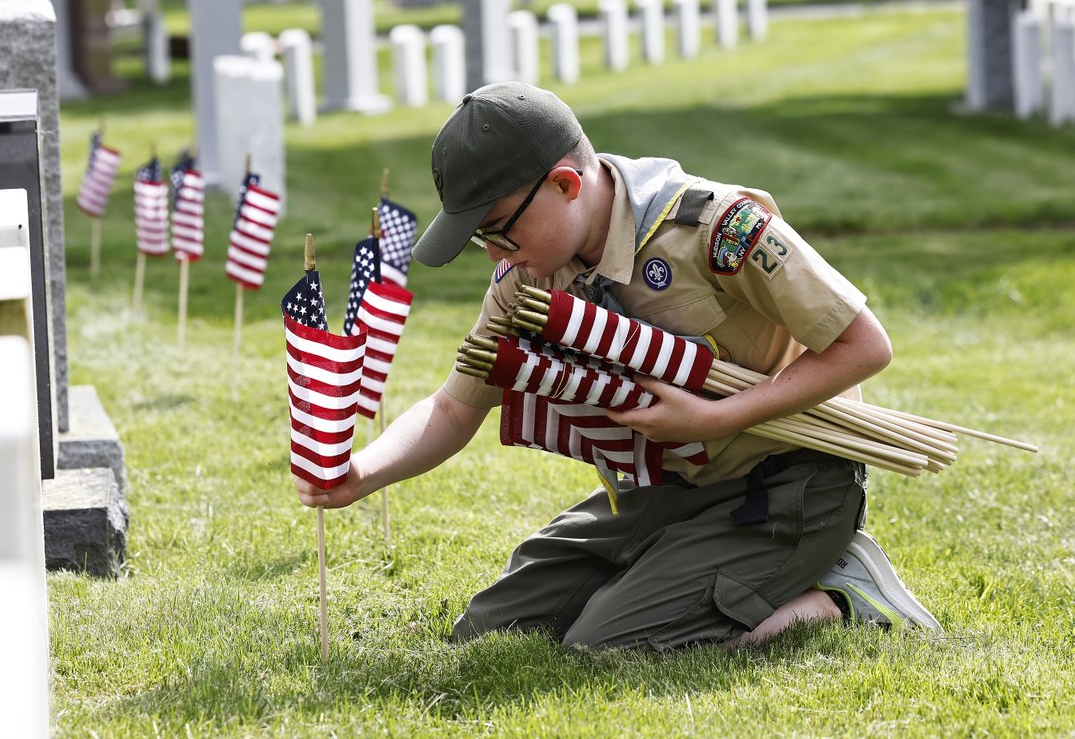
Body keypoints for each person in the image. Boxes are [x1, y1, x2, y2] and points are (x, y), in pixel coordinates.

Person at [295, 82, 940, 650]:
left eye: (498, 231)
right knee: (491, 629)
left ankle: (847, 597)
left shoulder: (714, 227)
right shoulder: (529, 278)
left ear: (566, 185)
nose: (495, 255)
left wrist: (721, 416)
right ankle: (686, 562)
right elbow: (453, 406)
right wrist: (360, 473)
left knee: (607, 643)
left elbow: (864, 346)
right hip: (669, 485)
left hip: (787, 481)